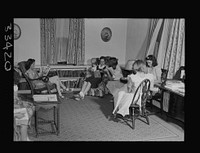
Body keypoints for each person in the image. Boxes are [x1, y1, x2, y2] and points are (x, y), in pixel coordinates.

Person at [14, 69, 35, 141]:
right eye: (19, 75)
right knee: (24, 117)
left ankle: (24, 135)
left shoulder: (15, 85)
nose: (20, 77)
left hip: (15, 105)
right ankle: (24, 138)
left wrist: (23, 102)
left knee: (31, 107)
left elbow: (16, 98)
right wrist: (15, 114)